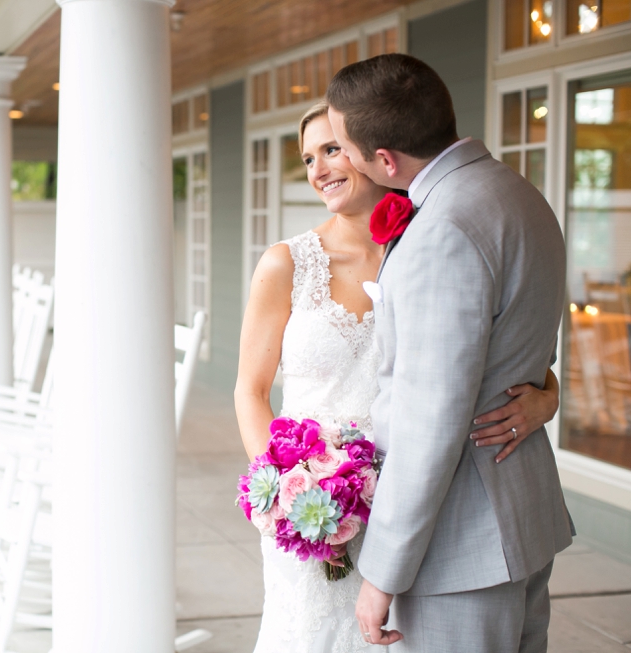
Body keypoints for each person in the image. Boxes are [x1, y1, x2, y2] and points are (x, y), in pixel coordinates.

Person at [234, 99, 561, 653]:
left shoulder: (431, 240)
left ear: (372, 151)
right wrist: (289, 496)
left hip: (419, 508)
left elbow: (492, 349)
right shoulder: (285, 264)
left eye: (333, 149)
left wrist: (545, 399)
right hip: (322, 516)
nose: (319, 170)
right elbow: (251, 391)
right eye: (308, 158)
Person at [325, 54, 572, 652]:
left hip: (463, 542)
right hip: (520, 515)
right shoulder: (516, 192)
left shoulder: (441, 230)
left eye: (345, 148)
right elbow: (529, 344)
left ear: (384, 160)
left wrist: (383, 572)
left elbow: (429, 419)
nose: (343, 160)